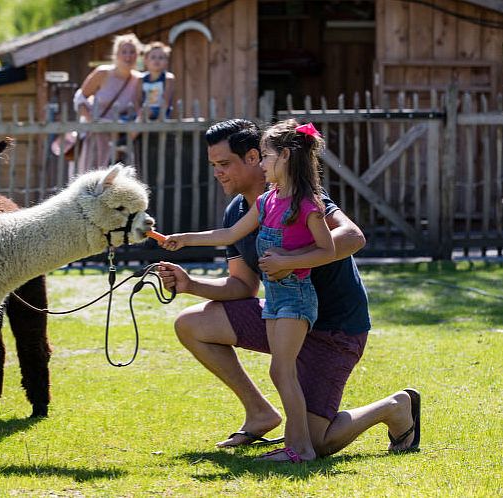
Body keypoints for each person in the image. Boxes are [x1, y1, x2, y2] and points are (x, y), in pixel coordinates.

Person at [157, 118, 421, 462]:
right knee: (192, 322)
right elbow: (242, 286)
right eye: (213, 166)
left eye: (224, 164)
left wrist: (289, 258)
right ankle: (260, 414)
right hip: (284, 313)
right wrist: (191, 284)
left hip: (333, 327)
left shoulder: (302, 199)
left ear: (256, 157)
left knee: (320, 442)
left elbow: (353, 237)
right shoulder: (239, 211)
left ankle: (395, 407)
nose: (217, 173)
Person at [161, 119, 335, 463]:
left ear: (281, 158)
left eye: (268, 156)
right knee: (281, 370)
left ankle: (299, 447)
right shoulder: (266, 202)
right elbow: (226, 237)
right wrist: (184, 240)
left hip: (298, 299)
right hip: (275, 301)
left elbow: (330, 249)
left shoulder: (308, 203)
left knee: (282, 370)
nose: (265, 164)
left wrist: (287, 259)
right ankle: (286, 435)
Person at [73, 33, 142, 173]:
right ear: (116, 54)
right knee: (91, 176)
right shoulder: (102, 73)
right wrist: (91, 120)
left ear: (137, 55)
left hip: (120, 138)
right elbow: (80, 98)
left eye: (132, 52)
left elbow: (139, 109)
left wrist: (129, 134)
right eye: (124, 52)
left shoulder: (138, 80)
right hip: (96, 134)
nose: (128, 56)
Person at [137, 41, 176, 120]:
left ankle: (134, 131)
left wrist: (160, 117)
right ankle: (134, 130)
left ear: (166, 62)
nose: (157, 60)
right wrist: (138, 111)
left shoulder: (168, 78)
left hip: (160, 111)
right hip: (145, 111)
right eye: (153, 57)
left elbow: (166, 101)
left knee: (146, 113)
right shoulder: (141, 79)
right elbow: (138, 99)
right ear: (146, 61)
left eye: (161, 58)